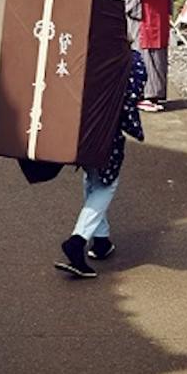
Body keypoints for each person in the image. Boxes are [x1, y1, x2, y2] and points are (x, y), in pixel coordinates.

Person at [55, 53, 147, 279]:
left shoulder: (82, 51)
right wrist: (134, 128)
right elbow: (130, 98)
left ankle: (102, 240)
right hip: (107, 134)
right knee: (107, 185)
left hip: (79, 130)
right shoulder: (129, 60)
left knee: (93, 179)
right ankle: (78, 240)